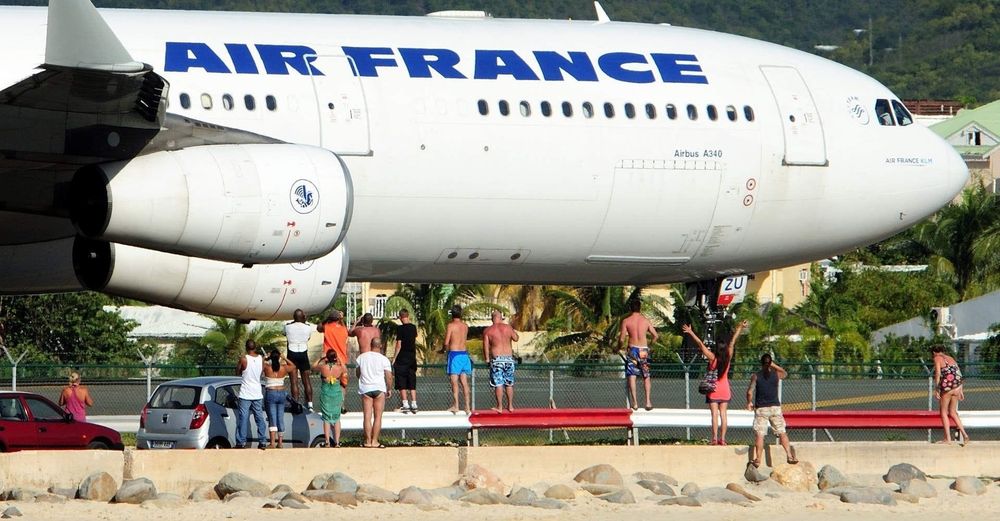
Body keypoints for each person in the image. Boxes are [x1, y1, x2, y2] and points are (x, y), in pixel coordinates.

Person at [682, 319, 748, 445]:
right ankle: (723, 439)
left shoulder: (712, 358)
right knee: (723, 414)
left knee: (714, 415)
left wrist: (690, 332)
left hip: (713, 389)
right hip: (725, 389)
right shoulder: (728, 357)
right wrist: (740, 327)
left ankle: (714, 438)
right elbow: (733, 342)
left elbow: (701, 345)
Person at [746, 353, 797, 467]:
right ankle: (789, 455)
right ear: (770, 363)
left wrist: (749, 402)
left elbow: (750, 391)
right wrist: (774, 365)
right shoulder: (776, 375)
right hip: (775, 407)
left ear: (761, 363)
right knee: (782, 432)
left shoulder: (756, 376)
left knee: (760, 434)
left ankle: (758, 459)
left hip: (761, 408)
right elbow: (785, 373)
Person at [618, 299, 658, 411]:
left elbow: (621, 338)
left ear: (630, 308)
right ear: (640, 308)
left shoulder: (626, 321)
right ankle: (648, 402)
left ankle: (635, 403)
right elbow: (655, 336)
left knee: (632, 375)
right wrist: (650, 346)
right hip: (643, 350)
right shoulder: (645, 321)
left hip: (633, 350)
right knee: (646, 376)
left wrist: (618, 347)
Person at [356, 338, 393, 448]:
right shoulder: (384, 359)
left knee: (367, 416)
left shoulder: (361, 357)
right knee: (378, 417)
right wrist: (389, 388)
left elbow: (358, 373)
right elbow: (389, 376)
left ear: (370, 345)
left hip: (366, 388)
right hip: (379, 388)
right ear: (380, 345)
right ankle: (375, 441)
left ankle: (367, 441)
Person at [932, 344, 971, 445]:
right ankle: (965, 435)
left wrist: (936, 389)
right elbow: (959, 373)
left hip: (947, 387)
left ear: (934, 352)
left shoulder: (937, 358)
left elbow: (938, 373)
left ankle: (947, 439)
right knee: (953, 412)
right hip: (956, 386)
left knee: (943, 412)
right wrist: (961, 389)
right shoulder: (950, 358)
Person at [483, 310, 519, 413]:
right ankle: (510, 406)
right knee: (509, 383)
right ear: (501, 318)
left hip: (497, 359)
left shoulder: (488, 331)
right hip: (508, 359)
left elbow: (485, 347)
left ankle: (500, 407)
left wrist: (487, 359)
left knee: (498, 383)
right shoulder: (508, 327)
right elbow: (516, 338)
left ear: (492, 318)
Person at [235, 340, 268, 450]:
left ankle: (241, 442)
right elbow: (261, 372)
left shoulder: (244, 359)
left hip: (245, 393)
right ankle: (262, 440)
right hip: (257, 393)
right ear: (255, 347)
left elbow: (237, 372)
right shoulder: (261, 358)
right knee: (259, 418)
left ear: (246, 347)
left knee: (243, 418)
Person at [318, 311, 349, 413]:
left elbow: (319, 327)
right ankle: (342, 405)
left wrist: (327, 319)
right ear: (338, 319)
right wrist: (341, 319)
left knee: (327, 383)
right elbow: (347, 331)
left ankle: (328, 405)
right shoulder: (343, 329)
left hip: (329, 359)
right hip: (341, 361)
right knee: (342, 384)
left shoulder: (327, 327)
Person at [313, 350, 346, 447]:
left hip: (326, 394)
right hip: (336, 394)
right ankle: (337, 442)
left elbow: (313, 366)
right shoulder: (339, 368)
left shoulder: (323, 367)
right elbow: (345, 369)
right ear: (335, 357)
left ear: (327, 357)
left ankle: (327, 441)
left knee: (326, 418)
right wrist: (339, 359)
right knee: (337, 418)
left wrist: (321, 358)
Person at [444, 305, 472, 414]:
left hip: (455, 354)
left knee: (454, 381)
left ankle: (456, 405)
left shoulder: (451, 326)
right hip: (464, 355)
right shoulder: (465, 326)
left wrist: (444, 350)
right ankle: (468, 406)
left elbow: (446, 342)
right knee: (464, 382)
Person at [284, 309, 315, 408]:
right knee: (306, 379)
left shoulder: (287, 326)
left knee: (294, 380)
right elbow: (308, 338)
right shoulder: (308, 327)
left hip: (292, 353)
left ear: (294, 317)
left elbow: (284, 334)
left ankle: (295, 402)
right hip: (303, 352)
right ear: (303, 317)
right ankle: (310, 403)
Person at [263, 349, 293, 448]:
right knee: (280, 418)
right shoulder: (283, 368)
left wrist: (265, 357)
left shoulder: (267, 367)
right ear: (279, 357)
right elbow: (293, 366)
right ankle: (280, 442)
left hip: (271, 392)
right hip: (281, 393)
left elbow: (258, 365)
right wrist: (284, 358)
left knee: (272, 418)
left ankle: (272, 442)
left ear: (271, 357)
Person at [393, 309, 419, 413]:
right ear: (408, 316)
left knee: (401, 380)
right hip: (412, 357)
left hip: (402, 357)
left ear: (400, 317)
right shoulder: (413, 327)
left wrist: (394, 358)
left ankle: (405, 403)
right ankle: (414, 403)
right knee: (412, 379)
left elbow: (399, 344)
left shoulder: (400, 329)